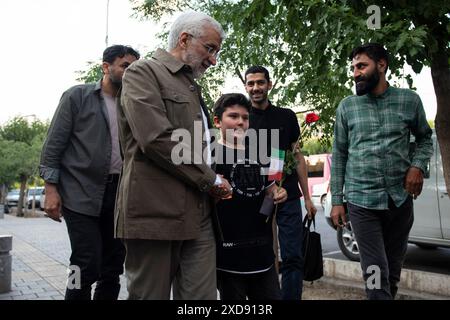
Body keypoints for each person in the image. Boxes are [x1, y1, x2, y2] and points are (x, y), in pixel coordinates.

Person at [115, 11, 231, 300]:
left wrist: (212, 179)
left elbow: (199, 145)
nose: (213, 60)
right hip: (154, 213)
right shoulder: (142, 72)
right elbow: (156, 139)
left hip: (198, 210)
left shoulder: (191, 85)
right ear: (184, 39)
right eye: (210, 48)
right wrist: (210, 179)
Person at [330, 43, 433, 300]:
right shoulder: (347, 107)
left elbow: (425, 139)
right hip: (362, 201)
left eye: (361, 66)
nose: (355, 73)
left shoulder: (409, 101)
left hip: (399, 200)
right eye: (353, 68)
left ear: (382, 65)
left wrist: (417, 166)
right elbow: (340, 155)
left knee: (392, 272)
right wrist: (336, 201)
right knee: (375, 270)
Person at [39, 45, 140, 300]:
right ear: (106, 67)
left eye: (135, 66)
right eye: (125, 65)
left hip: (119, 196)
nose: (131, 72)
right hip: (79, 194)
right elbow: (53, 146)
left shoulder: (134, 104)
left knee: (113, 267)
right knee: (85, 262)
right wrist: (51, 190)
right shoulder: (77, 96)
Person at [244, 66, 317, 300]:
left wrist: (307, 197)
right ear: (246, 86)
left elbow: (297, 157)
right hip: (256, 199)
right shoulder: (241, 119)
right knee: (261, 256)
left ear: (269, 84)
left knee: (293, 256)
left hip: (289, 197)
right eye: (251, 83)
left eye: (260, 82)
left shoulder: (286, 116)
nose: (256, 87)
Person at [212, 93, 287, 300]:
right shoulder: (209, 156)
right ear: (217, 121)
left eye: (245, 118)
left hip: (262, 253)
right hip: (228, 255)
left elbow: (272, 190)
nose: (240, 122)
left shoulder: (262, 152)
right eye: (233, 116)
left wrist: (280, 192)